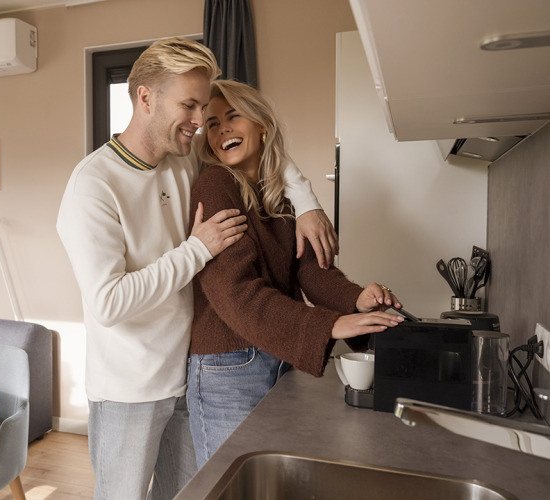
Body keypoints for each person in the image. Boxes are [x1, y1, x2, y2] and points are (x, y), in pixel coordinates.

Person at [56, 38, 336, 500]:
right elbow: (108, 302)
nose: (199, 121)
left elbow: (262, 150)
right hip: (129, 391)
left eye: (203, 108)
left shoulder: (184, 158)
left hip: (189, 377)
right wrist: (196, 250)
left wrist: (306, 202)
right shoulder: (93, 185)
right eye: (189, 106)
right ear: (146, 97)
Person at [186, 79, 406, 469]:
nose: (222, 131)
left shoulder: (281, 195)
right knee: (231, 488)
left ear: (261, 125)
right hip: (228, 369)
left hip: (276, 355)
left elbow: (311, 270)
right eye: (213, 124)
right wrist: (330, 324)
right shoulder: (215, 185)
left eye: (233, 117)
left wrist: (356, 298)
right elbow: (237, 293)